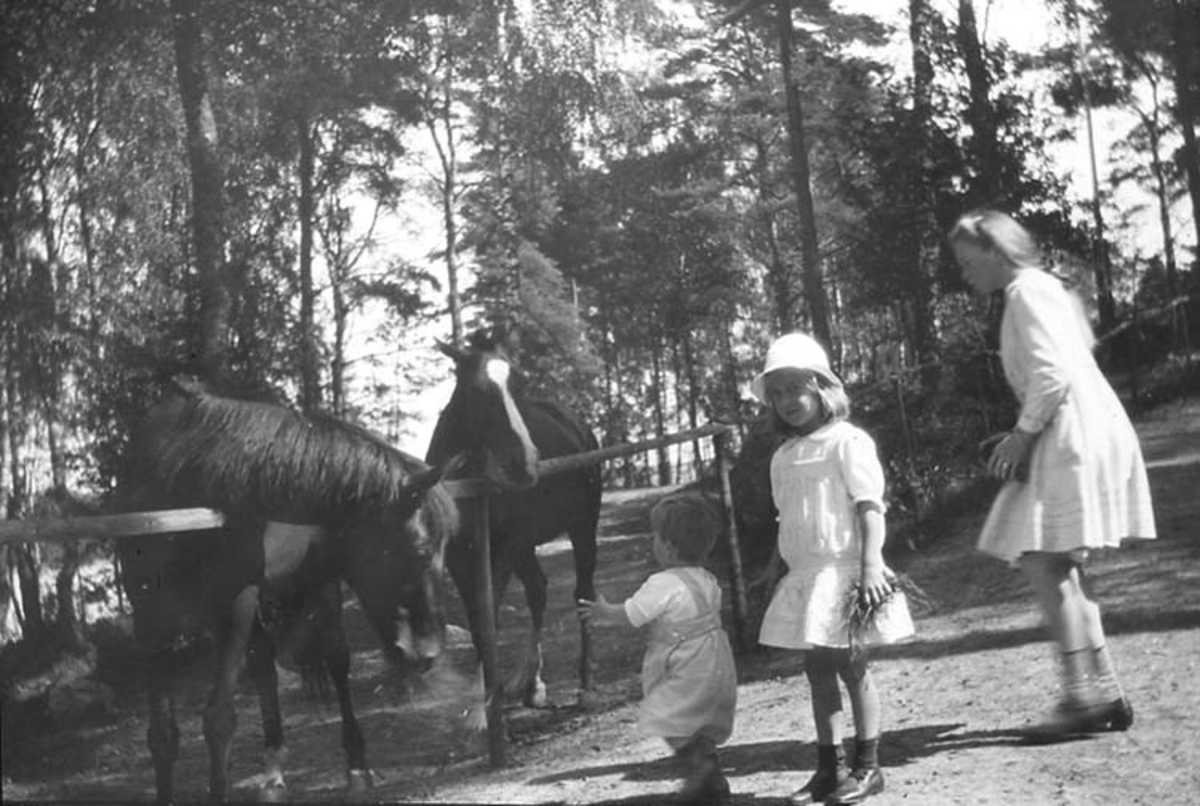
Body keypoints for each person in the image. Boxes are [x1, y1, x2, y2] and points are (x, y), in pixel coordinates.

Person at [948, 208, 1157, 740]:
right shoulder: (1042, 289)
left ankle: (1080, 696)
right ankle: (1103, 688)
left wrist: (1023, 434)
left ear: (997, 252)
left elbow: (1053, 372)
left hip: (1072, 432)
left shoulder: (1025, 292)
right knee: (1062, 565)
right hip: (1075, 427)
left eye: (970, 263)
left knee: (1044, 560)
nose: (966, 274)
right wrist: (1022, 431)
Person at [751, 332, 914, 806]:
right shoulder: (782, 456)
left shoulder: (847, 441)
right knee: (815, 667)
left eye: (796, 389)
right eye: (777, 393)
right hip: (806, 576)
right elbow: (788, 520)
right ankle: (830, 766)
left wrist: (870, 564)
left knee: (851, 665)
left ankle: (868, 765)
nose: (787, 401)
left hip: (844, 571)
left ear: (822, 388)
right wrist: (772, 567)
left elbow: (869, 507)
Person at [577, 493, 737, 804]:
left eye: (655, 536)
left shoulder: (663, 583)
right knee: (699, 720)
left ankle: (703, 773)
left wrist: (605, 611)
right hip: (714, 661)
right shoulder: (707, 579)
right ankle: (710, 781)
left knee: (668, 716)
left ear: (668, 546)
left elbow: (634, 614)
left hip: (685, 665)